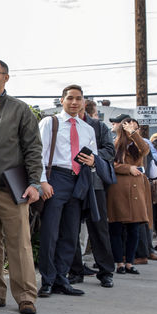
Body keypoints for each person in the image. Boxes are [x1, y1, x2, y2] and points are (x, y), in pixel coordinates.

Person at [0, 59, 42, 314]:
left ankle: (26, 296)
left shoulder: (20, 109)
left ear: (6, 78)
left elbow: (33, 148)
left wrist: (34, 182)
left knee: (19, 244)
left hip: (11, 188)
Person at [36, 84, 97, 298]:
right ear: (62, 100)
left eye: (78, 98)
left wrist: (92, 161)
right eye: (70, 98)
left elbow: (93, 159)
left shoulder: (87, 129)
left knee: (70, 234)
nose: (74, 102)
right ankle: (47, 280)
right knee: (50, 233)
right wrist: (43, 182)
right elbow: (38, 155)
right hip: (55, 179)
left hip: (78, 181)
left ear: (83, 102)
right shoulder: (49, 123)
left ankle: (62, 279)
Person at [68, 99, 116, 288]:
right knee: (71, 229)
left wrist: (92, 157)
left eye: (78, 102)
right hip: (70, 182)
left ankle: (105, 272)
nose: (74, 105)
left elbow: (110, 151)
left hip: (94, 183)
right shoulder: (61, 125)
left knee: (99, 228)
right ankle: (75, 270)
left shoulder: (98, 126)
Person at [106, 118, 152, 275]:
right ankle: (119, 262)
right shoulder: (115, 143)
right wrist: (128, 168)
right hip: (118, 189)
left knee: (134, 228)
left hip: (136, 189)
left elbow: (145, 149)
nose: (134, 130)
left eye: (136, 128)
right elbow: (109, 163)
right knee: (116, 227)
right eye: (131, 127)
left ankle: (129, 263)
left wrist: (133, 133)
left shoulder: (138, 145)